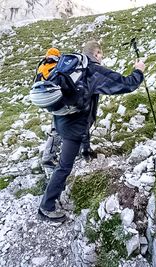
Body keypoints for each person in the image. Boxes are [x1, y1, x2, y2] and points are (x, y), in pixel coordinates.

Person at [38, 40, 145, 222]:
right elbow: (126, 84)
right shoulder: (94, 70)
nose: (102, 58)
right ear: (96, 54)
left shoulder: (71, 65)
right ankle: (46, 207)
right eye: (101, 55)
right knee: (64, 166)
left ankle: (86, 151)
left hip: (59, 120)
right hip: (74, 127)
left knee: (80, 133)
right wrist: (139, 71)